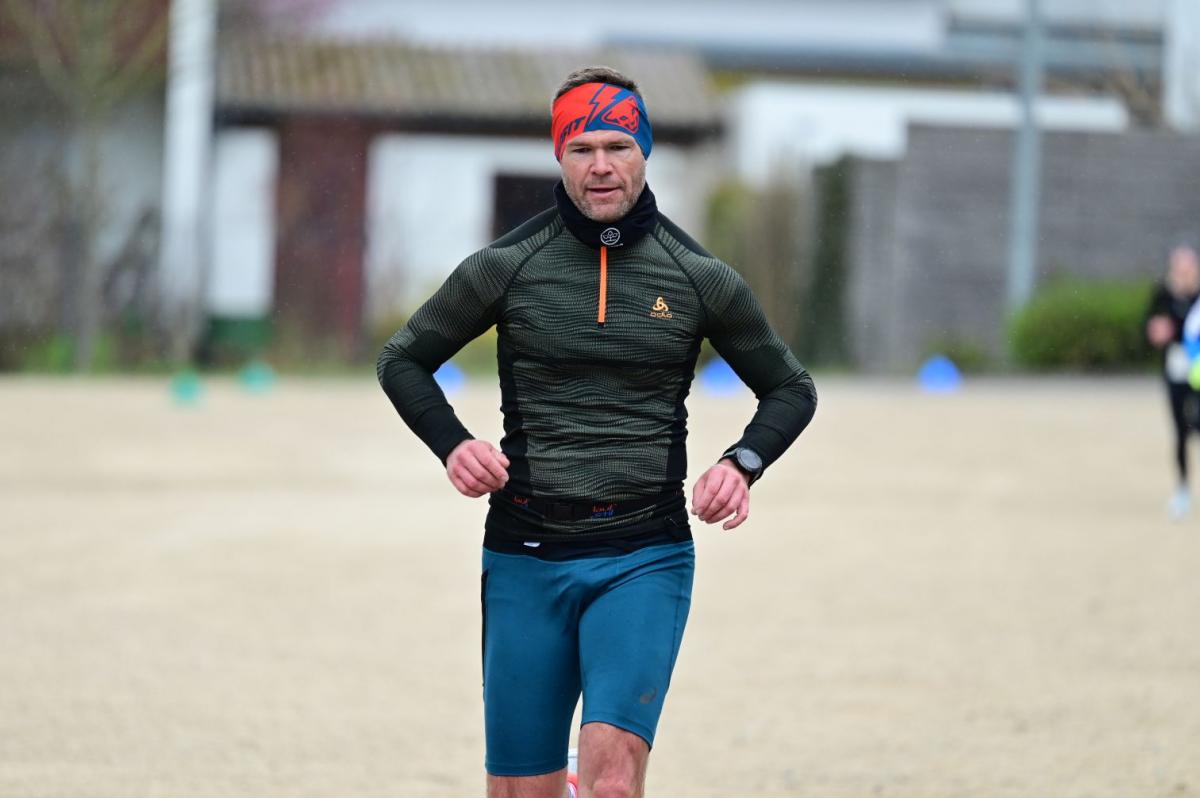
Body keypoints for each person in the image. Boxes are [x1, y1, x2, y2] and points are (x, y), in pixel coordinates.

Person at [377, 66, 817, 797]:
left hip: (643, 552)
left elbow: (790, 388)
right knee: (523, 791)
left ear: (645, 152)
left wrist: (742, 463)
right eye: (582, 149)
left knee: (612, 781)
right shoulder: (507, 266)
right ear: (560, 156)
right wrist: (452, 443)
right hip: (525, 551)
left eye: (618, 146)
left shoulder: (698, 276)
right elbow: (403, 359)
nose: (601, 165)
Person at [1146, 243, 1200, 520]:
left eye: (1189, 268)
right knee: (1180, 431)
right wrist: (1155, 333)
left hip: (1198, 369)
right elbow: (1149, 326)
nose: (1184, 274)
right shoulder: (1163, 294)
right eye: (1179, 269)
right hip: (1176, 369)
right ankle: (1182, 489)